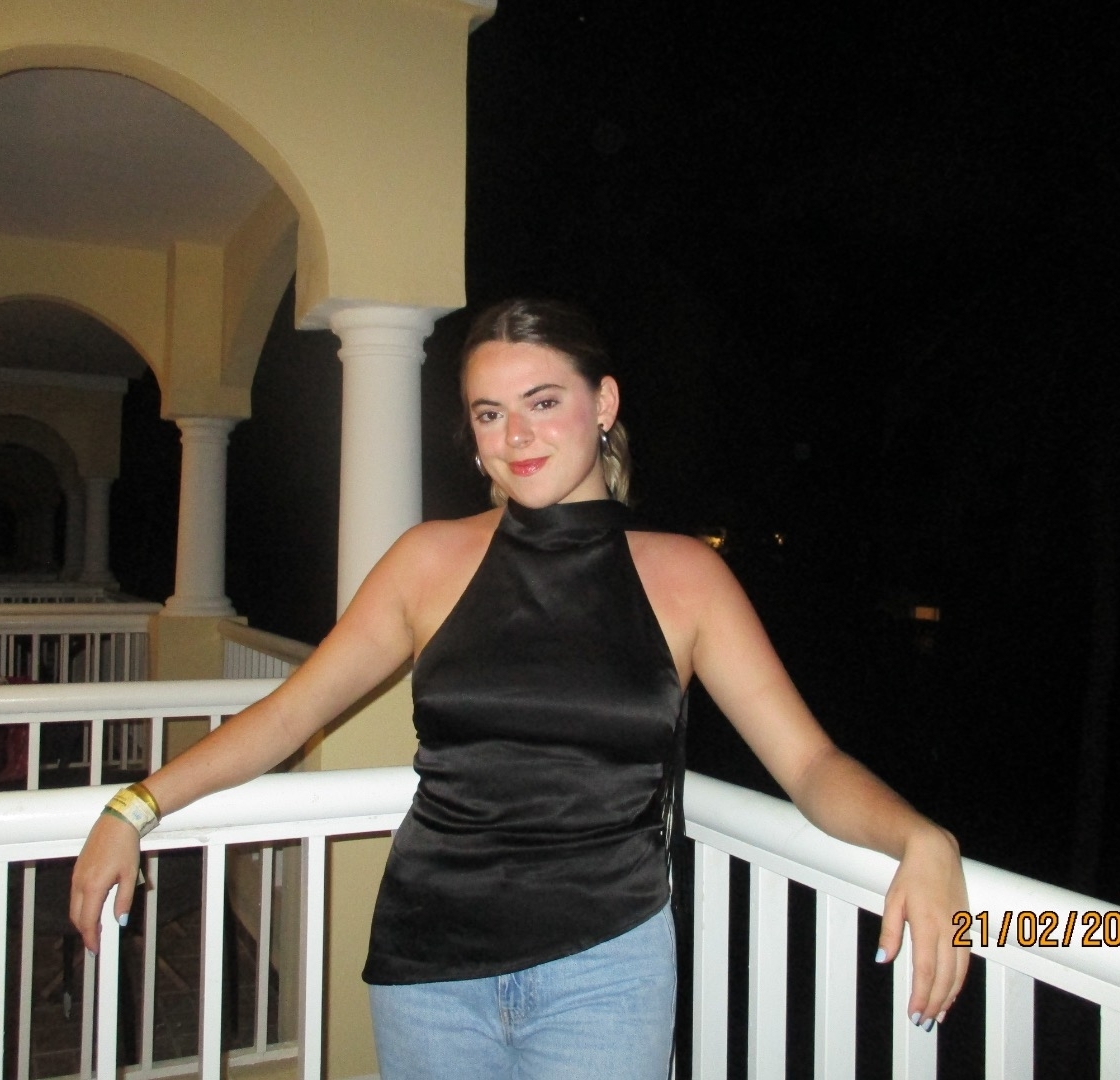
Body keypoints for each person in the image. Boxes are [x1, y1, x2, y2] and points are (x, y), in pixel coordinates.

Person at [71, 298, 969, 1078]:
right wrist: (136, 806)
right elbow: (287, 715)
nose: (516, 437)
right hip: (428, 967)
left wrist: (917, 837)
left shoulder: (686, 579)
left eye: (543, 402)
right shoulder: (428, 561)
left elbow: (806, 763)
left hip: (605, 969)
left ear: (602, 404)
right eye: (490, 414)